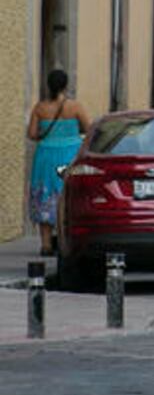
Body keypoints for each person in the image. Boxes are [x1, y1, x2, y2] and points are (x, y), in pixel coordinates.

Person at [27, 70, 90, 256]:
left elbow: (31, 134)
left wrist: (48, 136)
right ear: (65, 85)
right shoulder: (75, 107)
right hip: (70, 153)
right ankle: (65, 242)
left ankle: (46, 244)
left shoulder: (40, 108)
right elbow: (89, 127)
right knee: (67, 195)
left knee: (44, 195)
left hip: (46, 155)